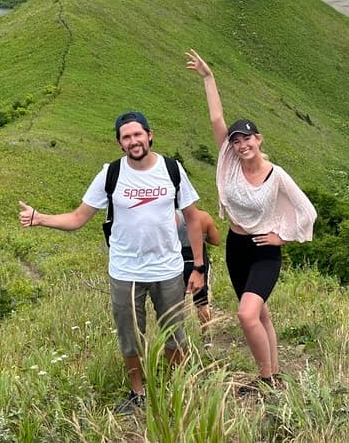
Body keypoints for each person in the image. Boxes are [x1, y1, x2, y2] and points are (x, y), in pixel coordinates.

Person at [18, 111, 208, 414]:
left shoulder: (172, 170)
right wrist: (39, 218)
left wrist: (198, 267)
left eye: (137, 134)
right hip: (125, 271)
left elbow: (193, 219)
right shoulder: (111, 174)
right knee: (130, 337)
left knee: (175, 333)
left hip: (168, 269)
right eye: (126, 137)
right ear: (120, 143)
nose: (133, 141)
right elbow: (78, 218)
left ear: (150, 135)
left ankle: (177, 386)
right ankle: (138, 393)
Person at [185, 50, 317, 391]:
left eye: (247, 138)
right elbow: (217, 120)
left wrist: (283, 236)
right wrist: (208, 77)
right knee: (260, 314)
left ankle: (265, 379)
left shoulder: (276, 176)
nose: (242, 144)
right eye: (236, 140)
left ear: (259, 140)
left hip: (263, 250)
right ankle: (274, 374)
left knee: (246, 315)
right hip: (236, 245)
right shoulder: (229, 163)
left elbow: (307, 212)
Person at [177, 206, 221, 344]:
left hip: (176, 262)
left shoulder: (168, 216)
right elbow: (216, 240)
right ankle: (206, 336)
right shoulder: (203, 217)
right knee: (202, 302)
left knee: (175, 303)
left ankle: (177, 338)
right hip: (199, 263)